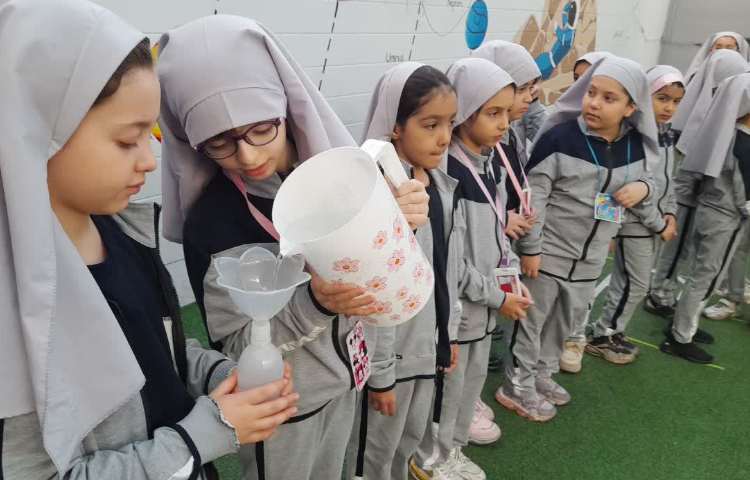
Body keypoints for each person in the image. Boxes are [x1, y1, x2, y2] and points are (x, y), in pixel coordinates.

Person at [0, 2, 298, 479]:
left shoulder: (123, 233)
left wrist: (219, 374)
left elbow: (159, 349)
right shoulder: (15, 308)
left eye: (152, 135)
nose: (148, 160)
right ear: (38, 130)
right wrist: (202, 435)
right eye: (127, 140)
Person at [157, 15, 430, 480]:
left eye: (260, 128)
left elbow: (376, 269)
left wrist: (400, 221)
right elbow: (235, 347)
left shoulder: (338, 180)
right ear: (190, 141)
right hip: (282, 411)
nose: (247, 156)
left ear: (284, 103)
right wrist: (314, 303)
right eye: (219, 142)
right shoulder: (215, 224)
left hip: (346, 380)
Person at [500, 56, 663, 420]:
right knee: (531, 323)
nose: (594, 103)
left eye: (609, 98)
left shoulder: (636, 145)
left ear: (631, 108)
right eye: (591, 93)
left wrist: (643, 188)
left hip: (590, 260)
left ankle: (542, 375)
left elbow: (651, 180)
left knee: (562, 324)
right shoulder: (559, 139)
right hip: (548, 254)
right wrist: (532, 249)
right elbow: (534, 198)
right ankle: (517, 385)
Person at [412, 57, 531, 480]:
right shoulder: (450, 174)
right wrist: (499, 296)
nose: (504, 124)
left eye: (506, 112)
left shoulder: (489, 161)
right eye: (492, 112)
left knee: (468, 386)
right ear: (465, 111)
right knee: (447, 391)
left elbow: (497, 233)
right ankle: (431, 457)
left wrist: (510, 279)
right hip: (459, 312)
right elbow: (452, 265)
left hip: (485, 306)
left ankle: (452, 449)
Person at [348, 62, 463, 480]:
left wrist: (448, 332)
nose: (445, 137)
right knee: (372, 455)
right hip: (390, 358)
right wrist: (380, 374)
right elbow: (372, 292)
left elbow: (448, 267)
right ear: (395, 127)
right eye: (430, 124)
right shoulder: (373, 193)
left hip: (425, 348)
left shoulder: (439, 184)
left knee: (407, 443)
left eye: (450, 123)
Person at [585, 65, 685, 366]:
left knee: (630, 281)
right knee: (634, 283)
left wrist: (670, 212)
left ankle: (611, 331)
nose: (669, 107)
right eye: (662, 98)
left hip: (654, 222)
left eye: (676, 101)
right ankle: (603, 334)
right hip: (635, 223)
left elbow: (667, 180)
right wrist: (658, 223)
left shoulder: (665, 135)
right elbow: (631, 191)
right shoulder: (634, 137)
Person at [660, 73, 750, 364]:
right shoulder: (743, 142)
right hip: (726, 217)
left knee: (699, 273)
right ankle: (680, 336)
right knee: (707, 278)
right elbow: (744, 194)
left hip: (707, 210)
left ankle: (683, 322)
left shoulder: (723, 132)